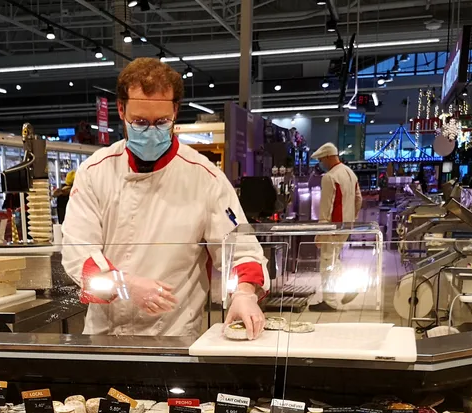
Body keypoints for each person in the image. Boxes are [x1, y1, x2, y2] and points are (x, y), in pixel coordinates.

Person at [62, 58, 269, 338]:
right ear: (121, 109)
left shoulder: (205, 177)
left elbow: (242, 251)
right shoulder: (94, 172)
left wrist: (244, 294)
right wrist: (125, 285)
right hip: (105, 336)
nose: (150, 132)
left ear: (175, 112)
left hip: (174, 335)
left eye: (161, 122)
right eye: (139, 122)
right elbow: (78, 255)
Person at [307, 141, 364, 312]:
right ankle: (351, 286)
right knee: (333, 259)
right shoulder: (350, 173)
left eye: (321, 160)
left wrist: (321, 232)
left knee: (327, 262)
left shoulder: (330, 177)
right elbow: (359, 199)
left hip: (333, 227)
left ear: (327, 157)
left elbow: (326, 208)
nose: (321, 164)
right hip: (346, 225)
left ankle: (330, 300)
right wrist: (351, 218)